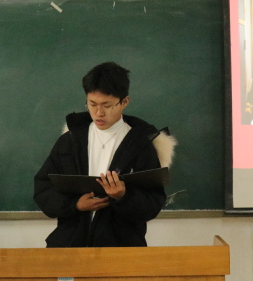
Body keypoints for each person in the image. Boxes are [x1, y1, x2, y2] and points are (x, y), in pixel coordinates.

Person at [33, 62, 175, 247]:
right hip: (69, 246)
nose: (99, 113)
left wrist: (124, 196)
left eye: (107, 105)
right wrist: (75, 205)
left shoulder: (141, 145)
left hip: (121, 249)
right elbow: (43, 189)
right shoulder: (70, 141)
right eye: (92, 104)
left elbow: (153, 203)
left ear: (124, 102)